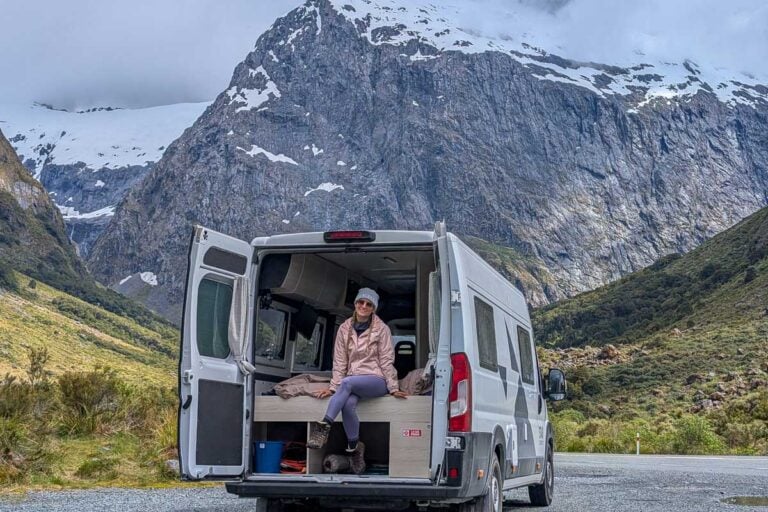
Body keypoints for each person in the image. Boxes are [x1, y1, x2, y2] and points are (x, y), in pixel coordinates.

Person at [307, 287, 407, 474]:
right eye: (361, 302)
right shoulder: (344, 328)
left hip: (376, 380)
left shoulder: (382, 329)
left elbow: (386, 360)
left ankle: (323, 427)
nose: (364, 306)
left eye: (369, 304)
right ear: (355, 304)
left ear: (373, 309)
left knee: (347, 383)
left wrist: (393, 387)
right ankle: (355, 449)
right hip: (352, 380)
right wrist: (332, 387)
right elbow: (339, 361)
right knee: (347, 404)